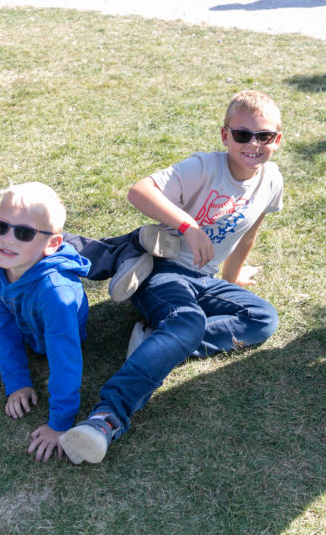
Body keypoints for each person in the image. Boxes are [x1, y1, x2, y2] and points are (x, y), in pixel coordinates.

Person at [59, 90, 283, 465]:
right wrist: (189, 226)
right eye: (243, 135)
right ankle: (106, 419)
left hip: (205, 278)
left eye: (264, 136)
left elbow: (250, 230)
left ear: (278, 140)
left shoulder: (272, 180)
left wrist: (233, 276)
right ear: (225, 135)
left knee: (262, 319)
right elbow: (139, 191)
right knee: (188, 320)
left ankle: (157, 343)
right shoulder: (203, 167)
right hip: (161, 270)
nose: (253, 144)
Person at [0, 182, 91, 462]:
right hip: (28, 325)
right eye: (0, 226)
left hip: (57, 333)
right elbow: (4, 326)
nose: (7, 239)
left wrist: (60, 423)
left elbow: (65, 359)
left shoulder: (56, 294)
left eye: (24, 232)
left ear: (52, 244)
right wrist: (17, 381)